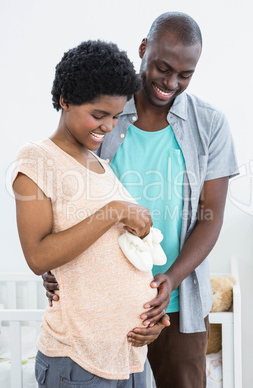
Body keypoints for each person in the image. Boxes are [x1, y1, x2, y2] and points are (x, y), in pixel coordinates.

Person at [43, 12, 239, 388]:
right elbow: (68, 197)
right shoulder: (103, 113)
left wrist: (171, 279)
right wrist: (54, 263)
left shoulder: (210, 124)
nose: (171, 83)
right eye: (163, 68)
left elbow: (210, 217)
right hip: (102, 298)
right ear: (144, 49)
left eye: (185, 74)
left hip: (179, 303)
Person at [12, 40, 170, 388]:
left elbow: (108, 256)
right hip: (79, 361)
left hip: (127, 358)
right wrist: (113, 212)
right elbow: (38, 257)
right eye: (99, 115)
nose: (110, 126)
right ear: (65, 99)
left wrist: (151, 312)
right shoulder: (37, 159)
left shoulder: (100, 165)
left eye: (115, 115)